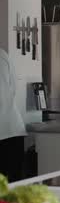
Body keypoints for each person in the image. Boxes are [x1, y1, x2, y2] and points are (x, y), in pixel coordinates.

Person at [0, 48, 27, 182]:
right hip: (13, 129)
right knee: (14, 186)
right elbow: (12, 90)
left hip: (5, 133)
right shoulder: (3, 55)